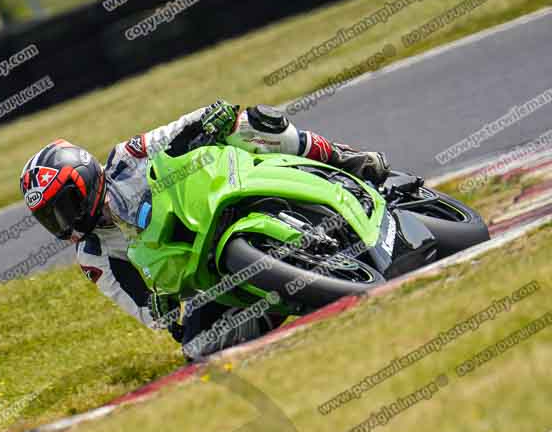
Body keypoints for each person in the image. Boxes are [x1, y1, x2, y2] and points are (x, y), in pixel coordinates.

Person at [19, 100, 390, 359]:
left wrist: (211, 115)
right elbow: (139, 305)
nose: (62, 223)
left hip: (213, 194)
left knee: (251, 122)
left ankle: (345, 159)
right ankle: (277, 303)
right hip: (199, 269)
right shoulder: (93, 255)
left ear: (82, 181)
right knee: (197, 348)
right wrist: (161, 307)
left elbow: (175, 132)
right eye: (50, 217)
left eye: (62, 208)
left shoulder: (126, 158)